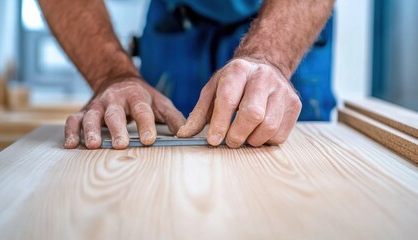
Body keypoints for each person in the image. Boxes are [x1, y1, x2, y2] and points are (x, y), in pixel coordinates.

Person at [38, 0, 336, 149]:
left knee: (280, 146)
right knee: (155, 145)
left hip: (283, 15)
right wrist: (112, 75)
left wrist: (269, 56)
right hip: (176, 21)